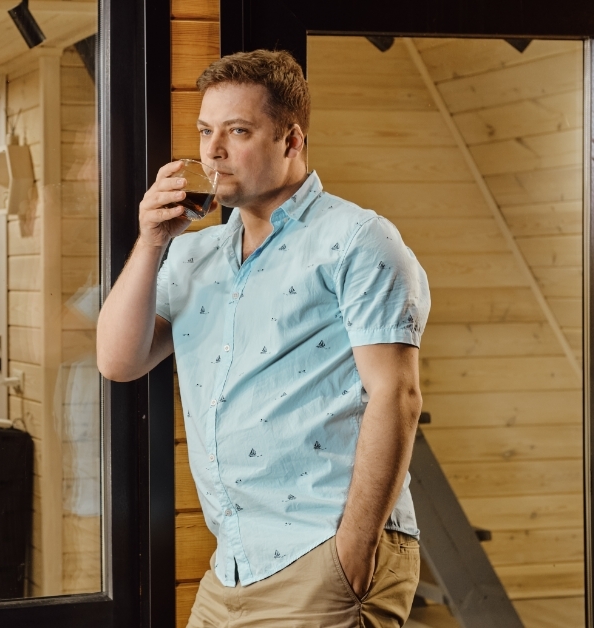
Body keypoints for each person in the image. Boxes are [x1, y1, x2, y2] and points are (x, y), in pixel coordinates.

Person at [96, 49, 430, 627]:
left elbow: (396, 396)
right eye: (205, 131)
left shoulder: (356, 241)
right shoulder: (195, 253)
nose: (213, 151)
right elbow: (118, 361)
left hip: (323, 552)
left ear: (291, 141)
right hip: (232, 565)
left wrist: (351, 553)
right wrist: (151, 243)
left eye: (238, 131)